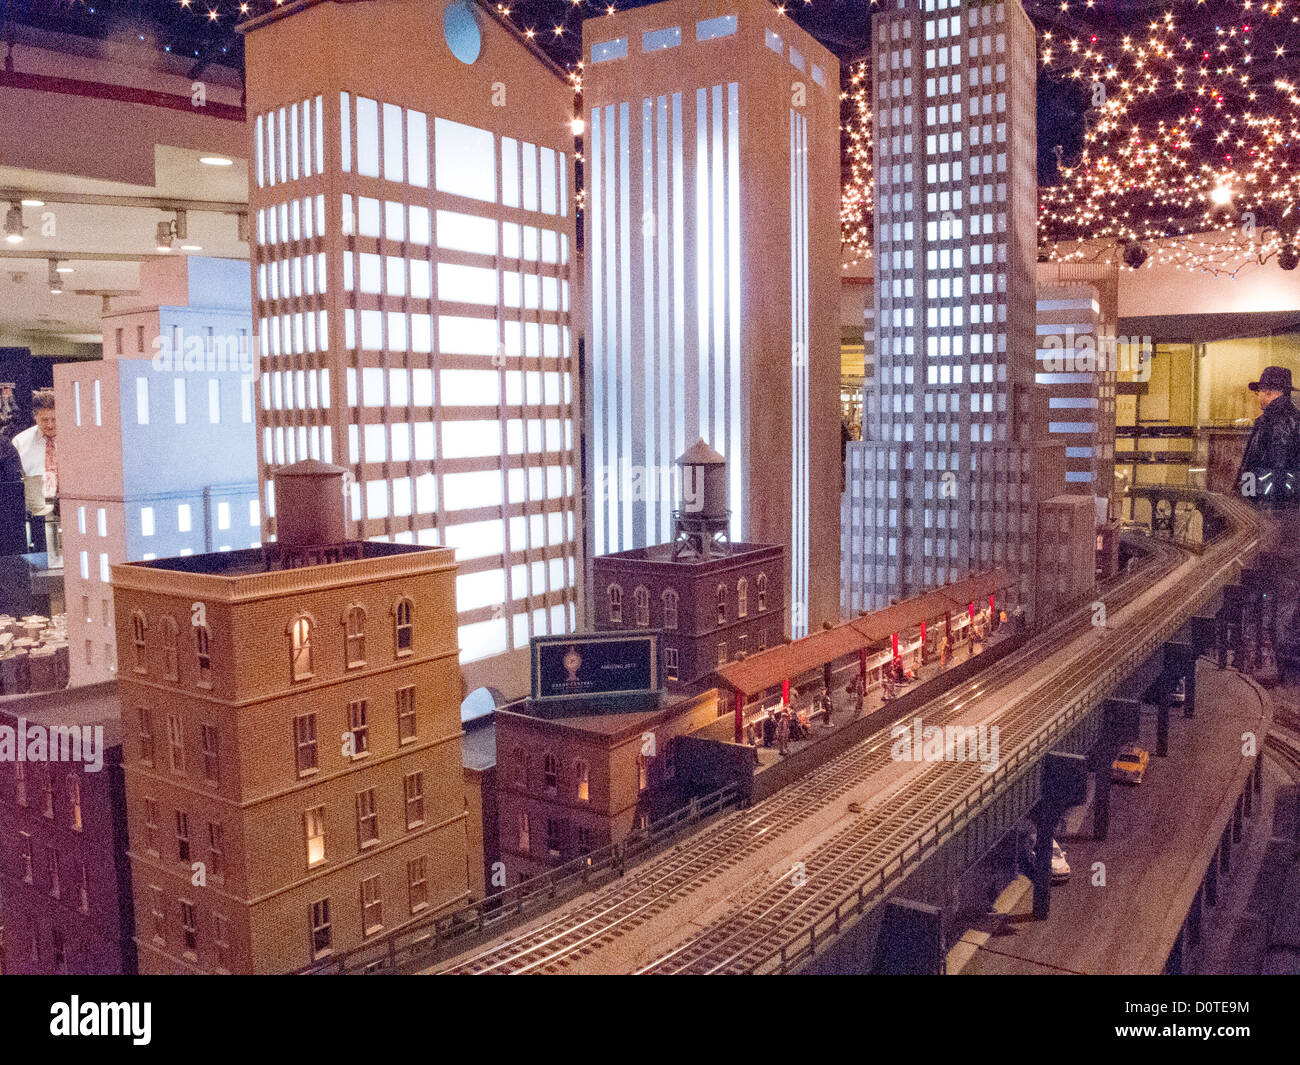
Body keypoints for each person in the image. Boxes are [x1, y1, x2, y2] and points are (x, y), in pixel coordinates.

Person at [1237, 366, 1300, 675]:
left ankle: (1266, 653)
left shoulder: (1275, 423)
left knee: (1266, 583)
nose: (1259, 397)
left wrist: (1259, 511)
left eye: (1261, 391)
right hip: (1290, 518)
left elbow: (1272, 473)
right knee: (1287, 585)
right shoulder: (1294, 420)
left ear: (1269, 392)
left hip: (1276, 518)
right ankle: (1280, 652)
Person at [11, 389, 57, 507]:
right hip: (34, 508)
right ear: (35, 417)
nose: (50, 425)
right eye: (45, 420)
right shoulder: (19, 442)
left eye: (54, 419)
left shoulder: (75, 441)